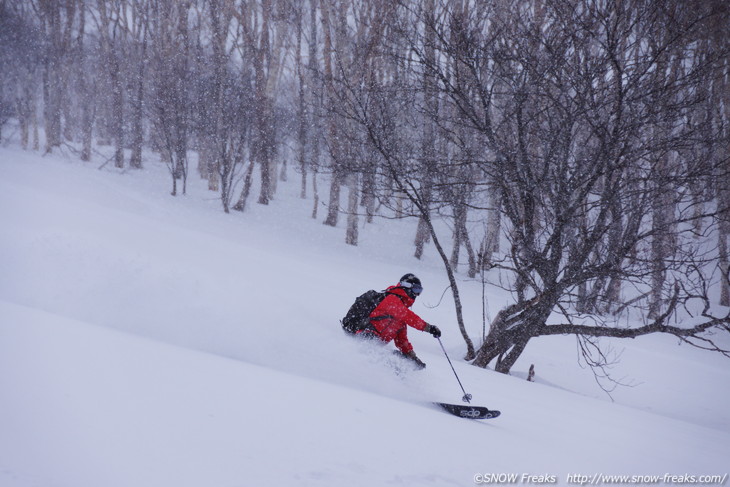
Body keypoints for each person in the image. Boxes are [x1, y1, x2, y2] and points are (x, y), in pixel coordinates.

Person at [355, 273, 441, 369]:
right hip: (366, 336)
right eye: (416, 289)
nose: (417, 294)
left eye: (419, 291)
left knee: (400, 360)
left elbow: (402, 341)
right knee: (392, 360)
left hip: (376, 344)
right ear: (407, 286)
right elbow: (410, 317)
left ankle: (393, 382)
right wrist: (429, 328)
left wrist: (413, 358)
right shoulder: (392, 299)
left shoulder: (400, 320)